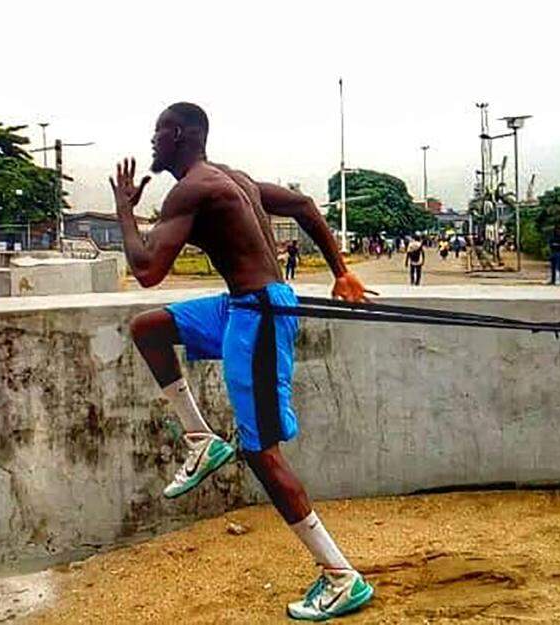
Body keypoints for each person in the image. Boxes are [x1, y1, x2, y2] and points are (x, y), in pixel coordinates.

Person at [111, 103, 375, 621]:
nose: (152, 144)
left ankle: (341, 576)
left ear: (180, 134)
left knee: (261, 453)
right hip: (243, 305)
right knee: (149, 328)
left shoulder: (191, 189)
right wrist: (339, 271)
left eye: (158, 134)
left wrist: (124, 208)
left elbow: (146, 270)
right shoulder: (232, 178)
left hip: (258, 314)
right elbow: (301, 204)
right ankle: (200, 438)